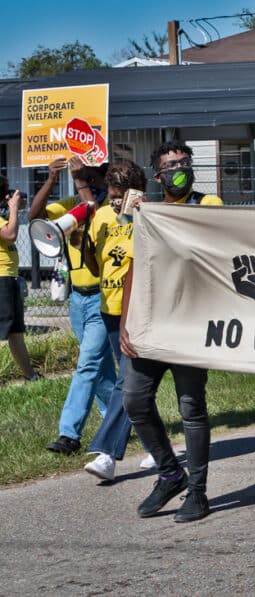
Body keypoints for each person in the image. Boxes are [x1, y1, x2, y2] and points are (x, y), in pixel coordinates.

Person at [121, 140, 223, 523]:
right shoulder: (145, 214)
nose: (178, 169)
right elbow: (133, 265)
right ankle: (170, 474)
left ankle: (198, 492)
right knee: (135, 399)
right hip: (150, 321)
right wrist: (128, 320)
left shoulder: (207, 205)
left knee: (191, 408)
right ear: (157, 174)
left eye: (184, 162)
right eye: (170, 164)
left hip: (191, 322)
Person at [28, 157, 116, 455]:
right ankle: (117, 424)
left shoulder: (108, 207)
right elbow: (35, 216)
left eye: (89, 175)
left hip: (102, 297)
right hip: (77, 299)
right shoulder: (70, 203)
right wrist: (51, 179)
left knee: (88, 364)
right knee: (100, 370)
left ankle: (69, 434)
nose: (83, 180)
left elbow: (94, 210)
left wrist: (80, 181)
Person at [80, 161, 148, 480]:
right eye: (110, 192)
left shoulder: (147, 214)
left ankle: (106, 454)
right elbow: (96, 267)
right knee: (132, 381)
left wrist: (144, 215)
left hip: (137, 308)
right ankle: (154, 446)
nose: (112, 199)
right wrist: (82, 243)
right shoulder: (103, 216)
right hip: (110, 306)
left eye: (119, 194)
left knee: (126, 381)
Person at [0, 177, 39, 381]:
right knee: (3, 330)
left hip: (9, 278)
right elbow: (10, 234)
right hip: (1, 279)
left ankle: (30, 375)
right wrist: (13, 207)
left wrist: (14, 207)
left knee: (15, 332)